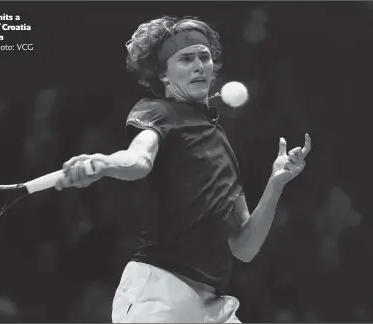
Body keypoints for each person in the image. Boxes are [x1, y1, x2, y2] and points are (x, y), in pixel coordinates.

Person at [54, 16, 311, 323]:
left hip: (211, 304)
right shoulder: (158, 111)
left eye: (204, 57)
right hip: (160, 291)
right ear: (164, 74)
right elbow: (139, 159)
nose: (199, 65)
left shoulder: (221, 145)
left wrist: (276, 183)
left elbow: (244, 246)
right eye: (186, 59)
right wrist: (105, 163)